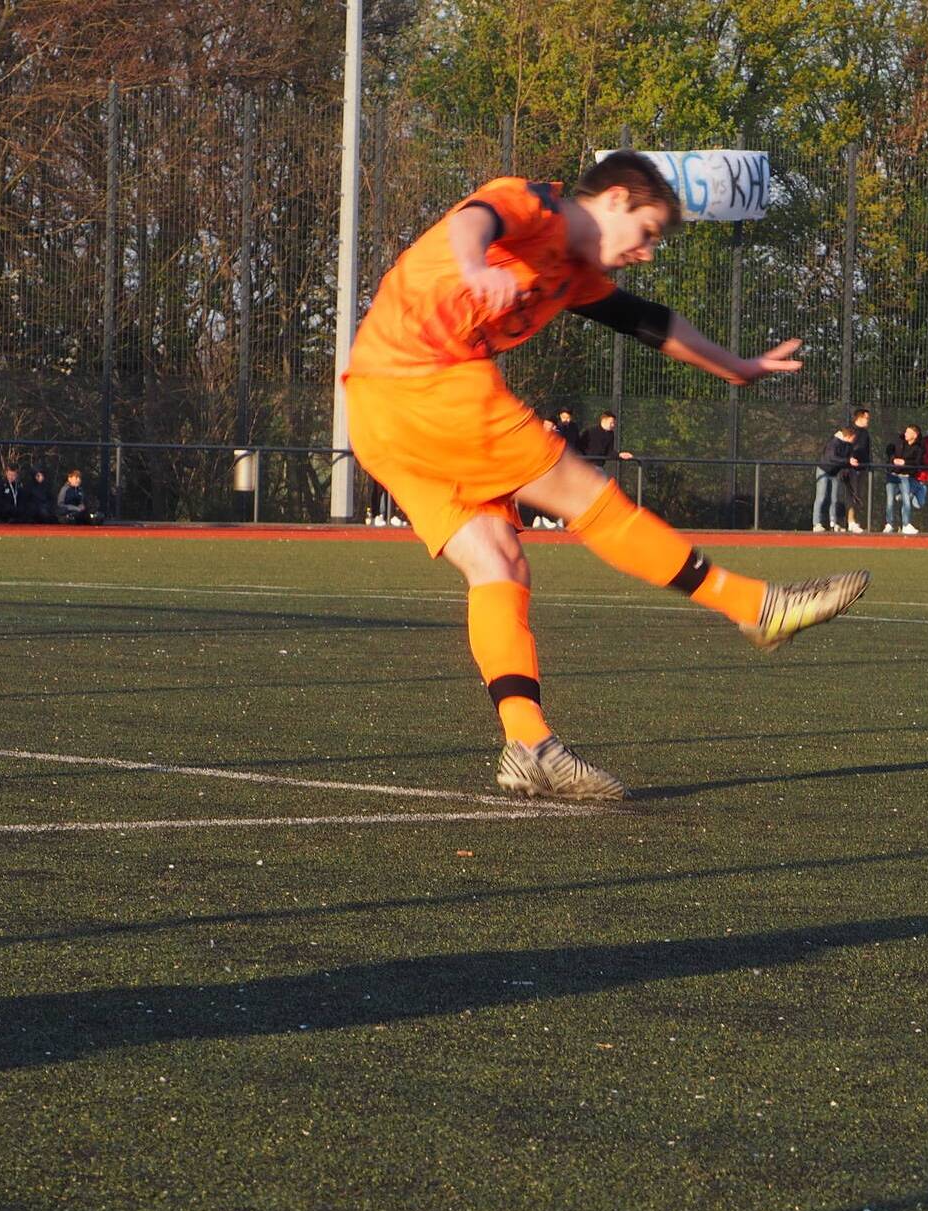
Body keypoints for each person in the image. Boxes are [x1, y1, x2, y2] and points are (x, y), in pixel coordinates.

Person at [343, 150, 868, 800]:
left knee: (498, 562)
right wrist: (477, 266)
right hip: (424, 380)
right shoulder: (535, 206)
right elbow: (475, 218)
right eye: (647, 232)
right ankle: (755, 606)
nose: (647, 251)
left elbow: (645, 320)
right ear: (615, 198)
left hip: (377, 407)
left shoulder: (572, 273)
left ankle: (527, 742)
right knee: (588, 497)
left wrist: (737, 366)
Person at [884, 423, 923, 534]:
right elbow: (889, 451)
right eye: (906, 431)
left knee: (906, 501)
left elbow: (916, 463)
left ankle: (906, 524)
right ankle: (889, 524)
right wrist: (893, 460)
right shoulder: (899, 442)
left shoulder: (918, 448)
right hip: (892, 475)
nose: (905, 434)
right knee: (889, 502)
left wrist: (905, 463)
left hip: (905, 477)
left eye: (908, 432)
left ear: (915, 435)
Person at [812, 426, 852, 532]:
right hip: (824, 471)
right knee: (821, 497)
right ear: (848, 436)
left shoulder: (848, 445)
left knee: (834, 499)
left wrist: (849, 463)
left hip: (834, 472)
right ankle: (816, 523)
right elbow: (832, 458)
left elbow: (847, 459)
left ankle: (833, 523)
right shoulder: (834, 443)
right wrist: (848, 461)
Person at [839, 407, 870, 533]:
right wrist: (850, 459)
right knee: (852, 494)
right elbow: (845, 447)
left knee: (858, 495)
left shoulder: (865, 433)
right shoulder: (851, 431)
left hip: (862, 468)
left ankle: (854, 521)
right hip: (851, 469)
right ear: (859, 418)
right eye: (866, 418)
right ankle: (850, 522)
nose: (868, 421)